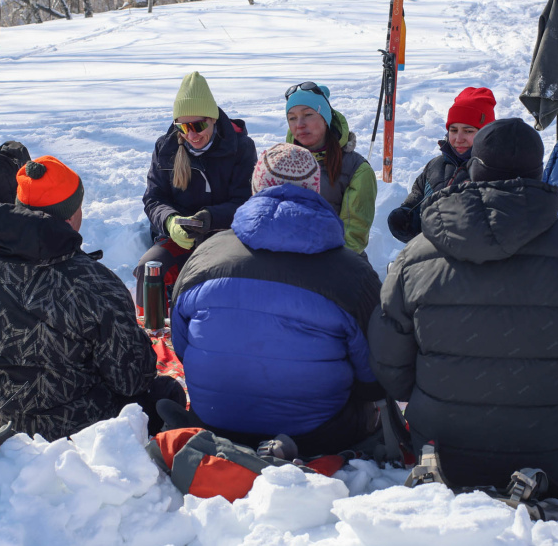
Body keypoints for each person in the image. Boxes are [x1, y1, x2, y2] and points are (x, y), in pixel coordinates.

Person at [368, 118, 558, 489]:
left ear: (474, 168)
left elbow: (391, 368)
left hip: (438, 448)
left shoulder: (416, 256)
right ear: (539, 171)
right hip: (553, 455)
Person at [169, 143, 385, 458]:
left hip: (216, 421)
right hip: (319, 433)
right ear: (315, 190)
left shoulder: (206, 253)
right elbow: (373, 376)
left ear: (256, 187)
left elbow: (182, 345)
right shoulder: (353, 273)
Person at [0, 156, 184, 441]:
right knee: (165, 394)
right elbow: (133, 379)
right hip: (73, 432)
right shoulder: (92, 283)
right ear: (70, 217)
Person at [136, 71, 257, 313]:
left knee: (217, 279)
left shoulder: (240, 147)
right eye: (183, 126)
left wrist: (211, 217)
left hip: (224, 234)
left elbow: (245, 201)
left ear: (213, 119)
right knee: (149, 269)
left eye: (198, 125)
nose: (191, 134)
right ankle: (153, 333)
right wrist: (170, 222)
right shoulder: (166, 147)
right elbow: (154, 198)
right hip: (179, 236)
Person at [387, 87, 497, 243]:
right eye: (453, 130)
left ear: (485, 133)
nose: (459, 138)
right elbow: (417, 198)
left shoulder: (494, 170)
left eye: (468, 131)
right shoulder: (436, 166)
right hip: (431, 255)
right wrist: (407, 217)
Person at [285, 82, 376, 254]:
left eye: (308, 114)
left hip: (336, 264)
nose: (300, 124)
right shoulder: (280, 164)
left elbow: (353, 238)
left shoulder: (357, 170)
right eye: (292, 118)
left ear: (326, 120)